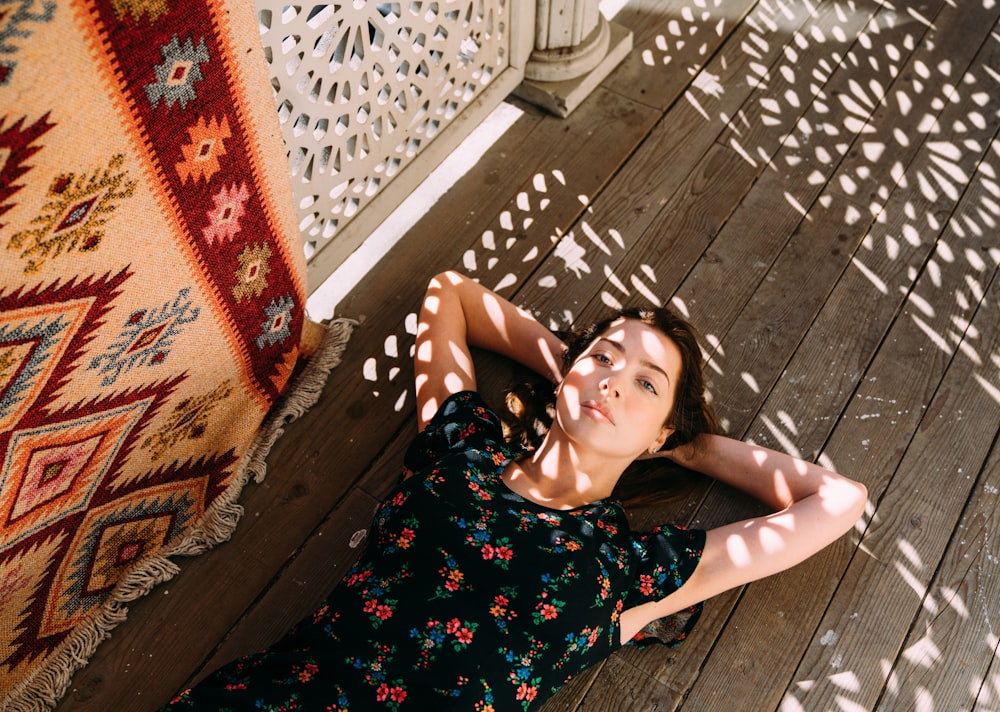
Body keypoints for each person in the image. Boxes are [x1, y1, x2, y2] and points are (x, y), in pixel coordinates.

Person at [162, 271, 868, 711]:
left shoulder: (632, 570)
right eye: (605, 359)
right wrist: (576, 370)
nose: (615, 380)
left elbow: (838, 500)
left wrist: (681, 439)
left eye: (645, 383)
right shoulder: (464, 448)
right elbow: (451, 294)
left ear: (661, 432)